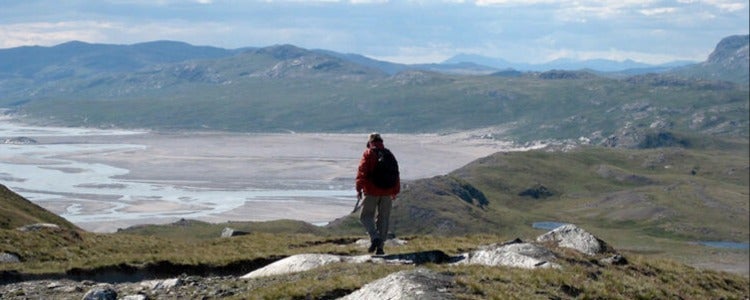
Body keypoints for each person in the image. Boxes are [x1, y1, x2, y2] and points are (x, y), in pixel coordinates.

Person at [356, 132, 400, 255]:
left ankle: (374, 237)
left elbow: (362, 172)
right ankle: (380, 247)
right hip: (387, 192)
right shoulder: (389, 154)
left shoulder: (368, 153)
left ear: (370, 142)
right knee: (383, 219)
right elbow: (396, 173)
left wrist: (359, 188)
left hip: (371, 190)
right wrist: (395, 191)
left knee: (365, 216)